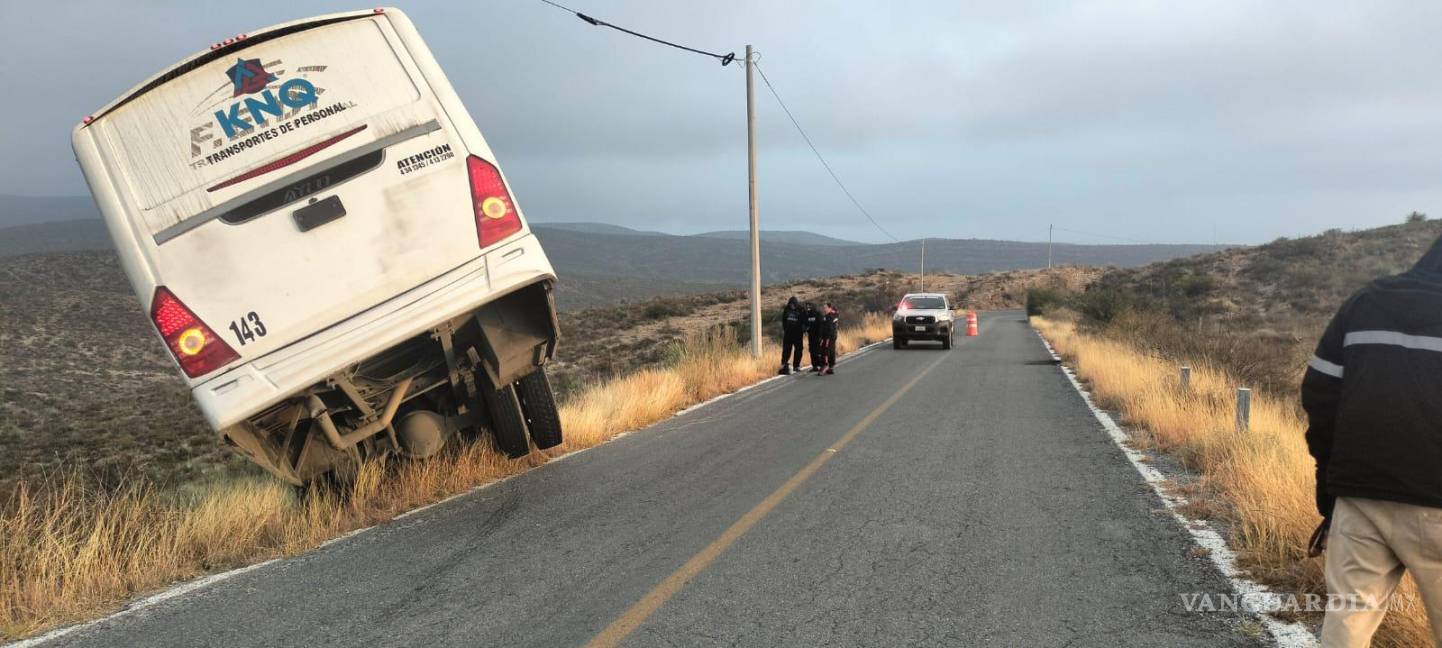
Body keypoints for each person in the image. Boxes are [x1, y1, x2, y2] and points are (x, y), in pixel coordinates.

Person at [1303, 232, 1442, 647]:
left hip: (1360, 497)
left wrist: (1329, 484)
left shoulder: (1366, 303)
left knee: (1346, 624)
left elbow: (1319, 393)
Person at [779, 296, 804, 375]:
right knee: (786, 350)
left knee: (799, 350)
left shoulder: (801, 310)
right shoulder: (786, 309)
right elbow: (783, 320)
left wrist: (803, 329)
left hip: (798, 334)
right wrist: (785, 329)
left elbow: (805, 320)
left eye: (793, 304)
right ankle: (784, 364)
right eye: (791, 304)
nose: (792, 306)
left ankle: (796, 365)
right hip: (788, 334)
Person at [818, 303, 840, 375]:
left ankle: (825, 366)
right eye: (824, 308)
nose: (824, 309)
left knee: (825, 351)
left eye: (826, 307)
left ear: (830, 308)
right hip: (833, 336)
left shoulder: (829, 317)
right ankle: (831, 367)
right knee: (831, 350)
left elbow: (829, 328)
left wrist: (826, 338)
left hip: (828, 337)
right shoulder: (834, 315)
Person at [803, 302, 822, 372]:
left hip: (817, 336)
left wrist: (820, 336)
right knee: (811, 351)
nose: (808, 308)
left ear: (813, 306)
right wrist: (805, 329)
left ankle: (821, 365)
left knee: (818, 351)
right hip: (810, 335)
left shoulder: (818, 314)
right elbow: (805, 324)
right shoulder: (807, 315)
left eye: (809, 306)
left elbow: (821, 325)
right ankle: (814, 366)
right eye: (807, 306)